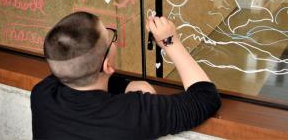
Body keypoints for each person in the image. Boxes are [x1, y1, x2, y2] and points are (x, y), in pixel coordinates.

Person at [31, 12, 221, 140]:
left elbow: (78, 75)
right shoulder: (131, 114)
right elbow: (206, 98)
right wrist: (170, 42)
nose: (112, 40)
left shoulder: (41, 95)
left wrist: (125, 86)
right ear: (107, 65)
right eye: (110, 38)